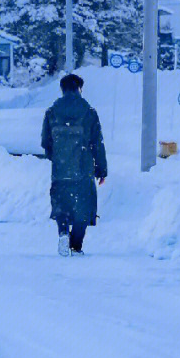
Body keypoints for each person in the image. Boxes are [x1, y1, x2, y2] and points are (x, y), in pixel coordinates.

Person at [41, 72, 107, 256]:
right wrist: (101, 169)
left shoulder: (51, 112)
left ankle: (63, 233)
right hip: (83, 168)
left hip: (60, 169)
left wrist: (56, 156)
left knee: (61, 204)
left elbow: (45, 142)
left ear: (62, 90)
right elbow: (97, 142)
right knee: (83, 207)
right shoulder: (89, 113)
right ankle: (75, 245)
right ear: (80, 89)